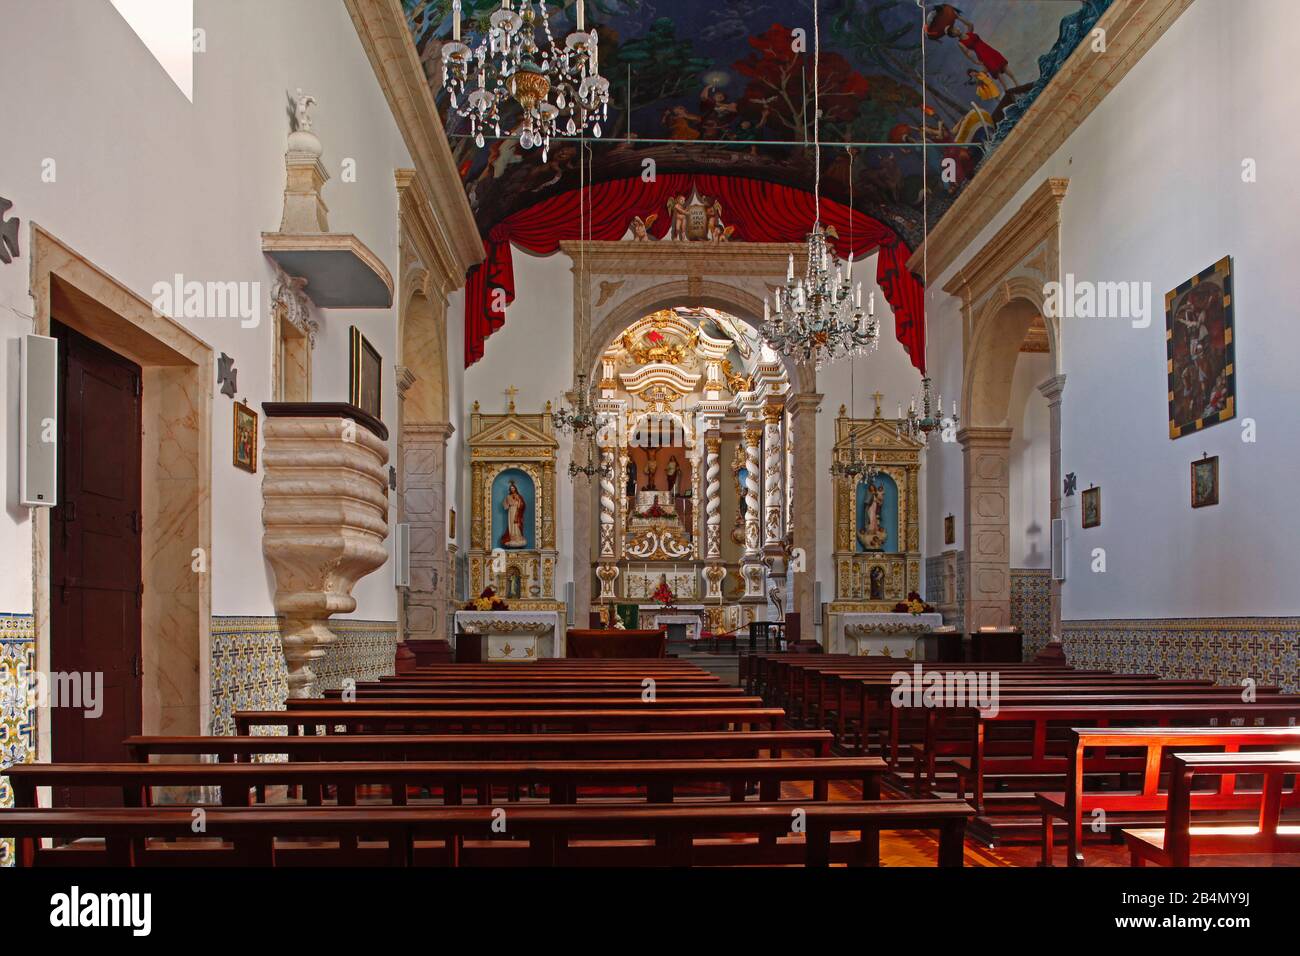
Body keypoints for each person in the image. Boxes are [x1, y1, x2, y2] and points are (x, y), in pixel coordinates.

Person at [500, 480, 527, 548]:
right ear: (510, 489)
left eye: (513, 488)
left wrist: (519, 502)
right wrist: (508, 505)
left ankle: (518, 537)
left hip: (517, 511)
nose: (512, 489)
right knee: (511, 523)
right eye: (511, 488)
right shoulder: (508, 496)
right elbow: (505, 505)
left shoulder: (518, 496)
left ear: (515, 488)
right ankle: (512, 537)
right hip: (511, 511)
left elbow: (523, 504)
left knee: (517, 523)